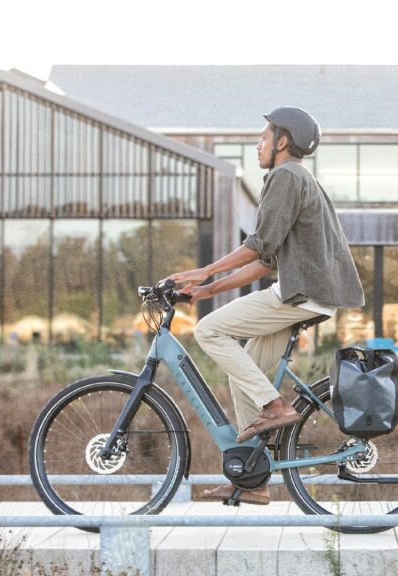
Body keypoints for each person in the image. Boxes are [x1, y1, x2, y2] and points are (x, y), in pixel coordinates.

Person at [165, 107, 365, 503]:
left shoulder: (286, 176)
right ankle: (252, 480)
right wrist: (207, 289)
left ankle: (275, 405)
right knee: (245, 373)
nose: (257, 144)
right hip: (306, 293)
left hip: (302, 293)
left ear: (282, 141)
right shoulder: (293, 179)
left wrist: (204, 271)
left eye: (262, 137)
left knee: (209, 330)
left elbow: (259, 246)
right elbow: (266, 260)